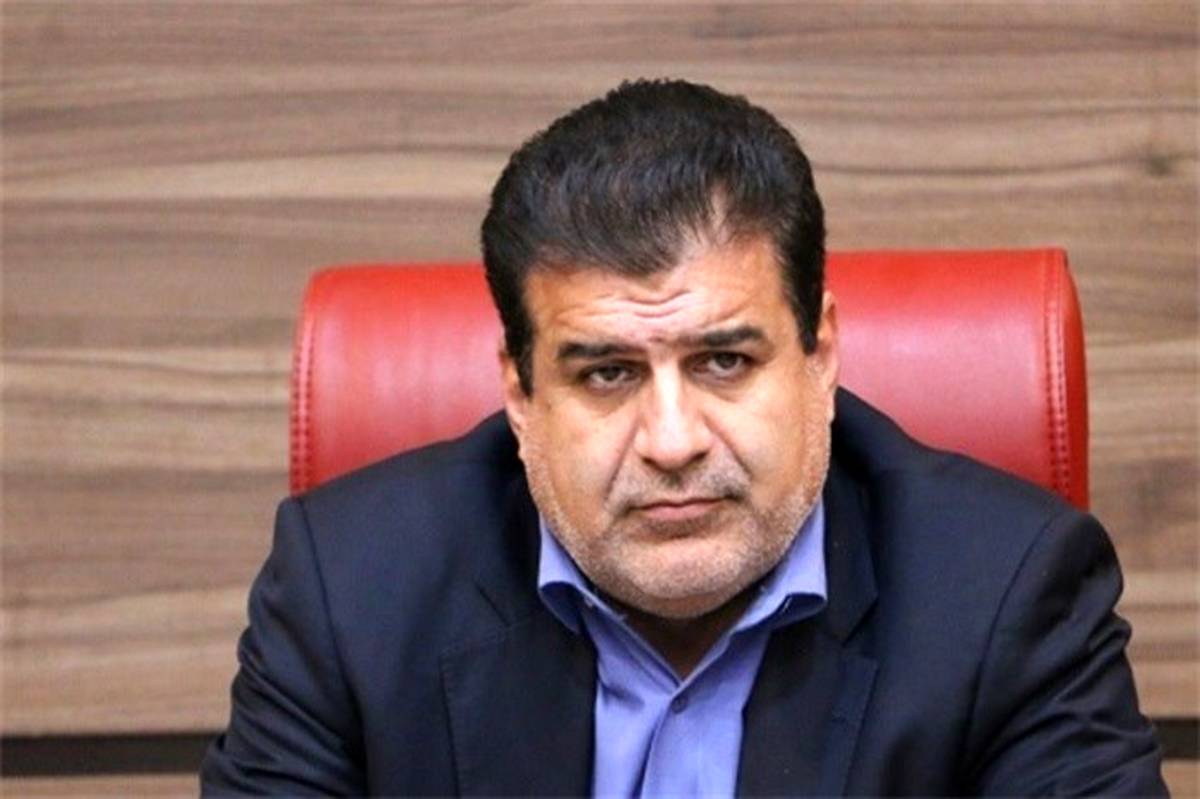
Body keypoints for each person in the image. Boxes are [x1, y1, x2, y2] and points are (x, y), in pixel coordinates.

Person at [201, 79, 1165, 796]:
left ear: (820, 356)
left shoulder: (1007, 592)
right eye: (607, 374)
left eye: (725, 361)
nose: (671, 442)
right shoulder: (349, 590)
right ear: (521, 394)